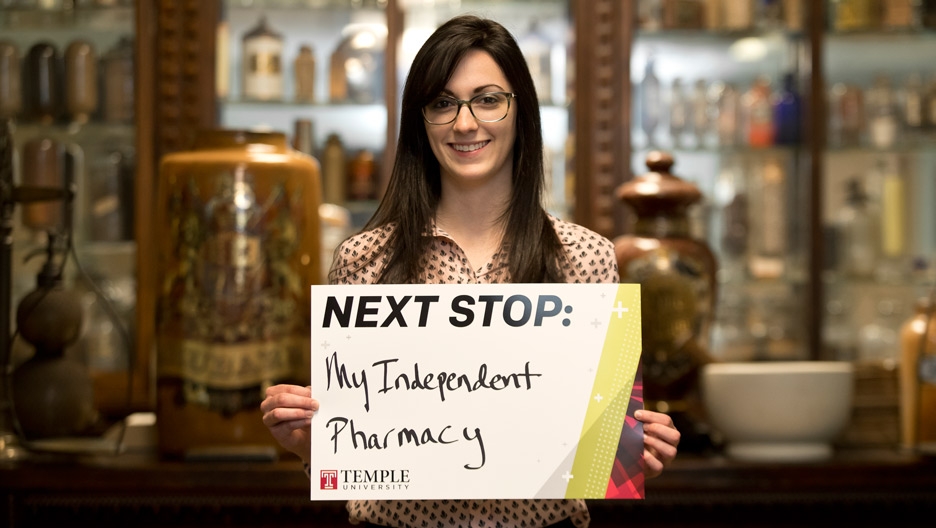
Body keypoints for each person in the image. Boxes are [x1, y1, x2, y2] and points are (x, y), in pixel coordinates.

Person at [261, 14, 680, 528]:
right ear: (421, 119)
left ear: (519, 111)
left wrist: (637, 453)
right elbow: (350, 456)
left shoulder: (586, 257)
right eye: (442, 103)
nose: (464, 123)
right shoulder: (363, 259)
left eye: (487, 99)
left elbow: (606, 453)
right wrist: (308, 442)